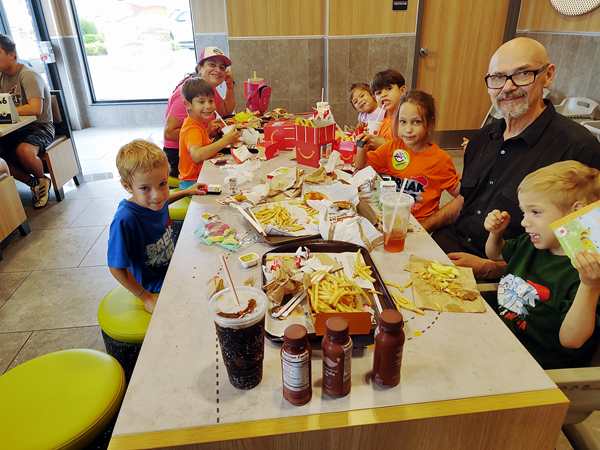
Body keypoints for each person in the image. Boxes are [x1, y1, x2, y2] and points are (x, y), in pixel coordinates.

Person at [430, 37, 600, 279]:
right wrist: (422, 226)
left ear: (548, 75)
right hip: (446, 248)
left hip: (510, 279)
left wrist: (490, 268)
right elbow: (465, 201)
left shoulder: (578, 149)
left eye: (522, 74)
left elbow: (584, 249)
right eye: (498, 77)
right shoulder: (482, 139)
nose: (508, 87)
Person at [484, 161, 600, 369]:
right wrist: (496, 234)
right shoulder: (531, 243)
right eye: (524, 212)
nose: (524, 222)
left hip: (538, 367)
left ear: (575, 213)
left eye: (535, 212)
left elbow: (571, 340)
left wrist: (590, 286)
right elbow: (495, 253)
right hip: (497, 340)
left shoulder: (590, 272)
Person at [108, 139, 207, 313]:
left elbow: (163, 200)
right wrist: (145, 297)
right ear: (127, 186)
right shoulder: (125, 219)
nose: (157, 195)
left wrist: (187, 191)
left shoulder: (154, 202)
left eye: (163, 184)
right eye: (145, 188)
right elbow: (116, 267)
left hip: (172, 269)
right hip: (154, 286)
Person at [355, 91, 460, 230]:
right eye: (403, 122)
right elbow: (361, 168)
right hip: (390, 219)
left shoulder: (441, 159)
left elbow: (462, 195)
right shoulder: (391, 148)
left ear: (430, 123)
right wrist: (361, 147)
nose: (408, 129)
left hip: (420, 227)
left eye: (416, 122)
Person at [0, 33, 54, 208]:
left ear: (12, 54)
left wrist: (7, 110)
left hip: (40, 127)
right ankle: (33, 183)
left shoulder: (28, 75)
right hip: (17, 129)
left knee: (23, 150)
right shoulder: (1, 78)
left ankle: (41, 179)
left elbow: (35, 109)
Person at [163, 47, 235, 177]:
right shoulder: (187, 93)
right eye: (212, 64)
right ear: (200, 68)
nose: (218, 70)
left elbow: (225, 111)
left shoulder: (207, 89)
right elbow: (169, 133)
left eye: (222, 67)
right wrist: (204, 133)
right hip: (177, 157)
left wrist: (230, 86)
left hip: (199, 145)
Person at [178, 77, 240, 189]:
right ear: (187, 104)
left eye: (211, 101)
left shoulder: (198, 123)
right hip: (193, 184)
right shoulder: (192, 128)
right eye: (201, 102)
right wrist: (225, 141)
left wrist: (209, 132)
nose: (208, 106)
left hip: (200, 176)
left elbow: (200, 144)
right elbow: (197, 156)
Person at [361, 69, 407, 151]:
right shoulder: (383, 117)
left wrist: (384, 144)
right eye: (379, 93)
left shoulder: (406, 119)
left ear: (402, 91)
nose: (383, 95)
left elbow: (409, 152)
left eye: (389, 88)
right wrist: (370, 137)